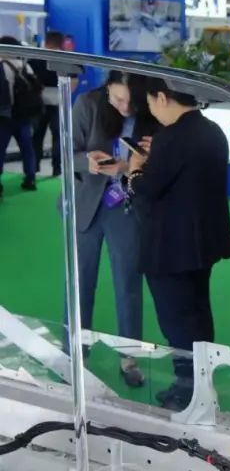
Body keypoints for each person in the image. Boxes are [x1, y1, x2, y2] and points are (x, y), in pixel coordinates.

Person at [127, 77, 230, 412]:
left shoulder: (170, 138)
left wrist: (135, 170)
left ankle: (189, 391)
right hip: (203, 243)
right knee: (199, 315)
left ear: (162, 97)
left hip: (170, 247)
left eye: (151, 102)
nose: (152, 109)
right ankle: (199, 383)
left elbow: (148, 189)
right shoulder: (212, 131)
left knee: (177, 322)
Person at [74, 71, 159, 388]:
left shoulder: (150, 111)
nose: (125, 108)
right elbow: (66, 153)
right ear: (108, 87)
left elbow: (160, 162)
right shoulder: (87, 104)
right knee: (80, 284)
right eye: (118, 99)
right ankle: (76, 352)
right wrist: (88, 161)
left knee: (128, 285)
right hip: (87, 204)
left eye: (131, 102)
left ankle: (129, 358)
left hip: (126, 205)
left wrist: (131, 166)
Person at [0, 36, 40, 195]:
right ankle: (30, 178)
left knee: (0, 149)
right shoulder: (25, 66)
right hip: (24, 114)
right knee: (27, 148)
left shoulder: (1, 65)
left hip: (4, 116)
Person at [27, 31, 66, 178]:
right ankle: (57, 167)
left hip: (38, 103)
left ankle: (34, 167)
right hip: (58, 101)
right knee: (58, 136)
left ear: (46, 41)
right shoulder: (64, 59)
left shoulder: (35, 59)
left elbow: (29, 82)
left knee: (37, 136)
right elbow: (73, 82)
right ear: (61, 43)